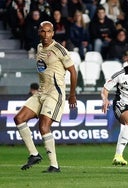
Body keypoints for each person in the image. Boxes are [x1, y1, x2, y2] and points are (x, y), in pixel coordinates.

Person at [14, 21, 77, 173]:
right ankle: (34, 154)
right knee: (19, 118)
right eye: (43, 31)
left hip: (55, 93)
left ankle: (54, 165)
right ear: (39, 33)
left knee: (43, 126)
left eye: (49, 32)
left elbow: (73, 72)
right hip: (41, 92)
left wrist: (72, 94)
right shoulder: (39, 47)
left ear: (53, 33)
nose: (46, 35)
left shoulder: (60, 50)